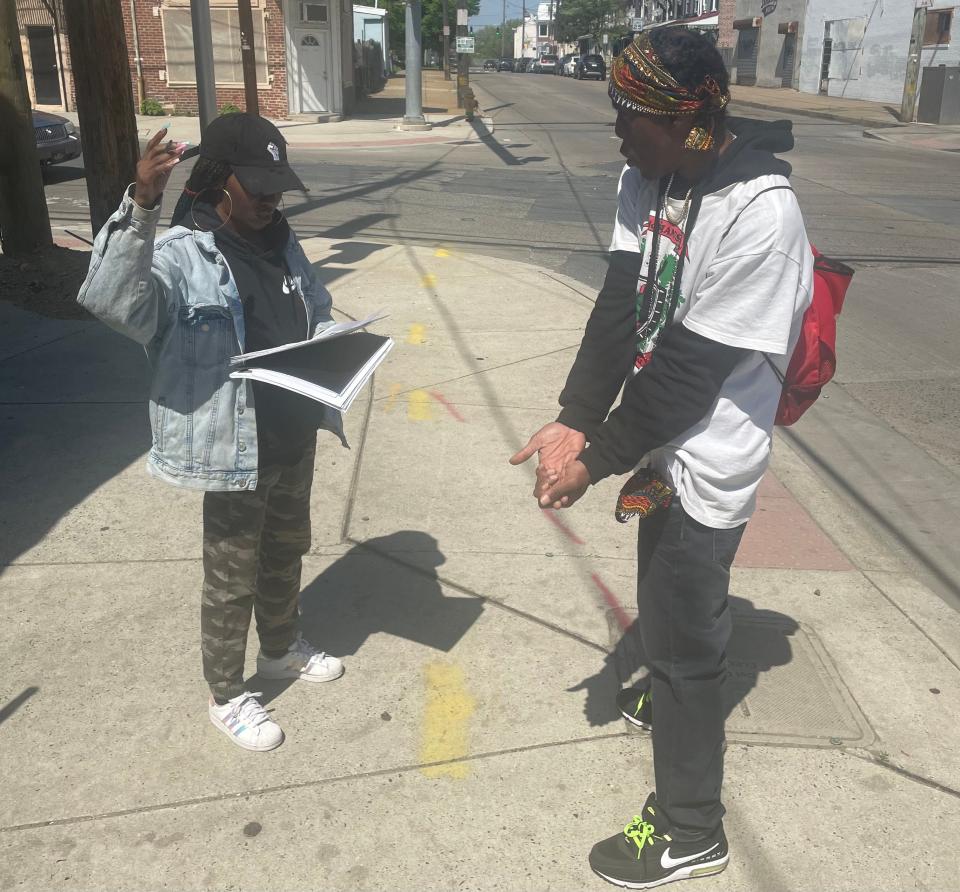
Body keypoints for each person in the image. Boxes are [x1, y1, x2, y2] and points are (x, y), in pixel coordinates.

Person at [511, 27, 813, 888]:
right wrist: (575, 418)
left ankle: (691, 830)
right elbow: (618, 304)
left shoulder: (760, 214)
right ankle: (673, 693)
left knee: (685, 640)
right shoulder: (647, 176)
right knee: (665, 609)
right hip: (657, 446)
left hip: (706, 455)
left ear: (691, 119)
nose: (616, 131)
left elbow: (687, 374)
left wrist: (593, 458)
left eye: (631, 116)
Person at [77, 113, 347, 753]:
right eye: (259, 187)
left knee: (286, 551)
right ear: (221, 181)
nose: (272, 199)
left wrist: (341, 348)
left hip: (293, 431)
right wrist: (142, 203)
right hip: (235, 446)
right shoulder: (181, 254)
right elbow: (113, 302)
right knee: (231, 578)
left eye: (279, 186)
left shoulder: (283, 242)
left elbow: (318, 308)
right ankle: (226, 695)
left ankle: (280, 650)